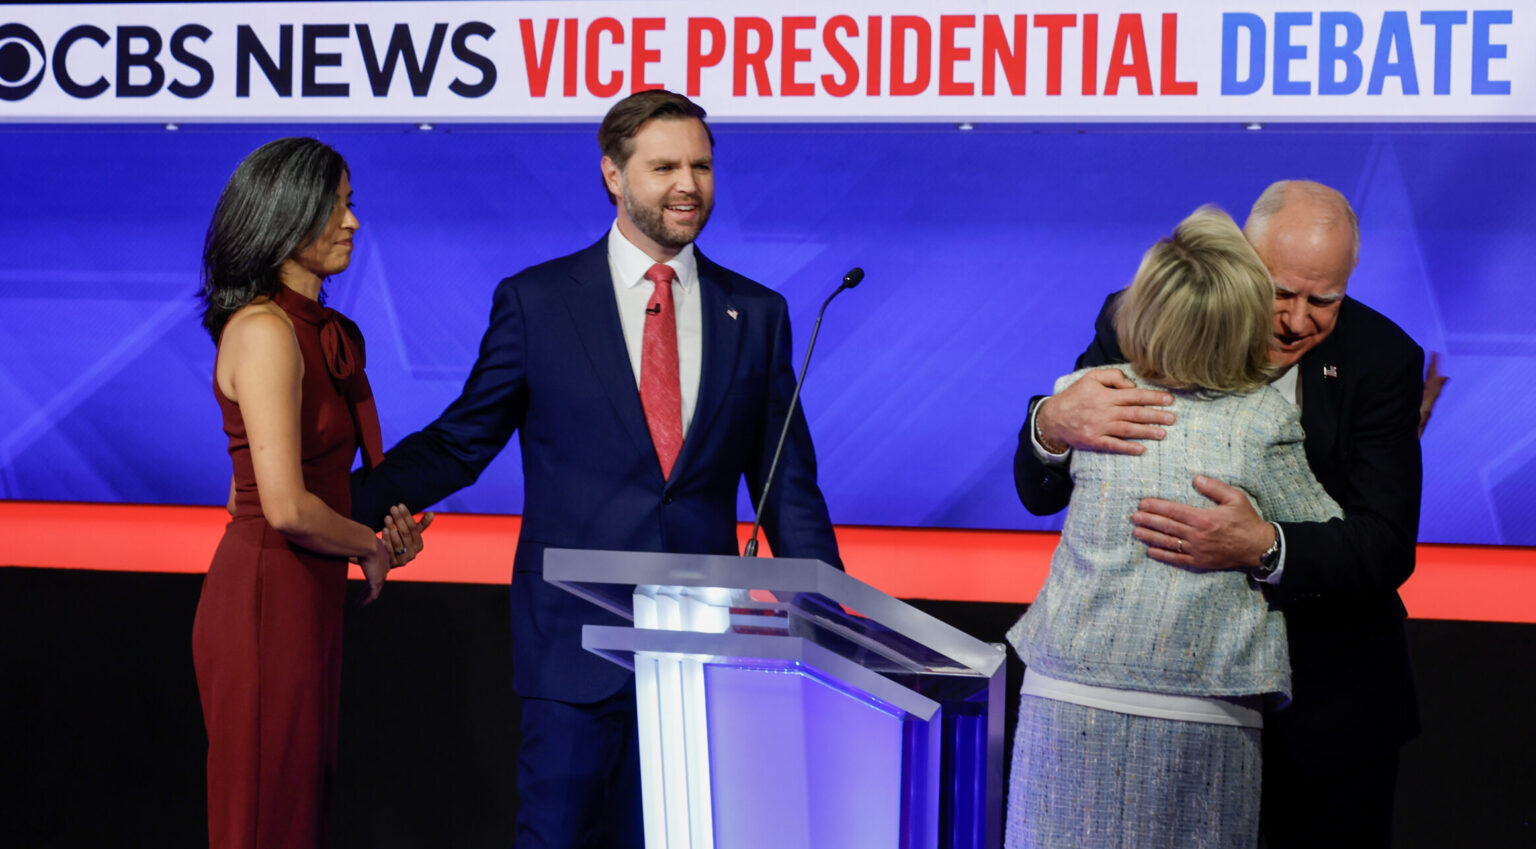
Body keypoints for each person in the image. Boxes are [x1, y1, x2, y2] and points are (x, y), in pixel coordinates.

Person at [349, 90, 841, 849]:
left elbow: (787, 485)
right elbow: (461, 441)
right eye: (666, 166)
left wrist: (832, 617)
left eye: (702, 166)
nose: (689, 184)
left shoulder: (759, 312)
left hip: (697, 652)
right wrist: (337, 505)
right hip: (573, 648)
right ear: (613, 175)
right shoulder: (539, 301)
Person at [1015, 180, 1423, 847]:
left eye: (1325, 301)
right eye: (1279, 292)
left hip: (1327, 715)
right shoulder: (1148, 312)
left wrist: (1265, 544)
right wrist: (1052, 421)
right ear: (1239, 257)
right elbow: (1041, 490)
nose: (1297, 320)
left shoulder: (1381, 359)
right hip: (1149, 706)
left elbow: (1383, 546)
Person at [192, 137, 430, 849]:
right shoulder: (265, 329)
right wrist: (373, 546)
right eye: (336, 206)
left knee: (298, 810)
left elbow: (253, 492)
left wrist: (378, 534)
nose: (352, 221)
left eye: (350, 204)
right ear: (284, 215)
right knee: (265, 813)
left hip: (308, 593)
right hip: (267, 598)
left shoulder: (324, 330)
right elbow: (284, 507)